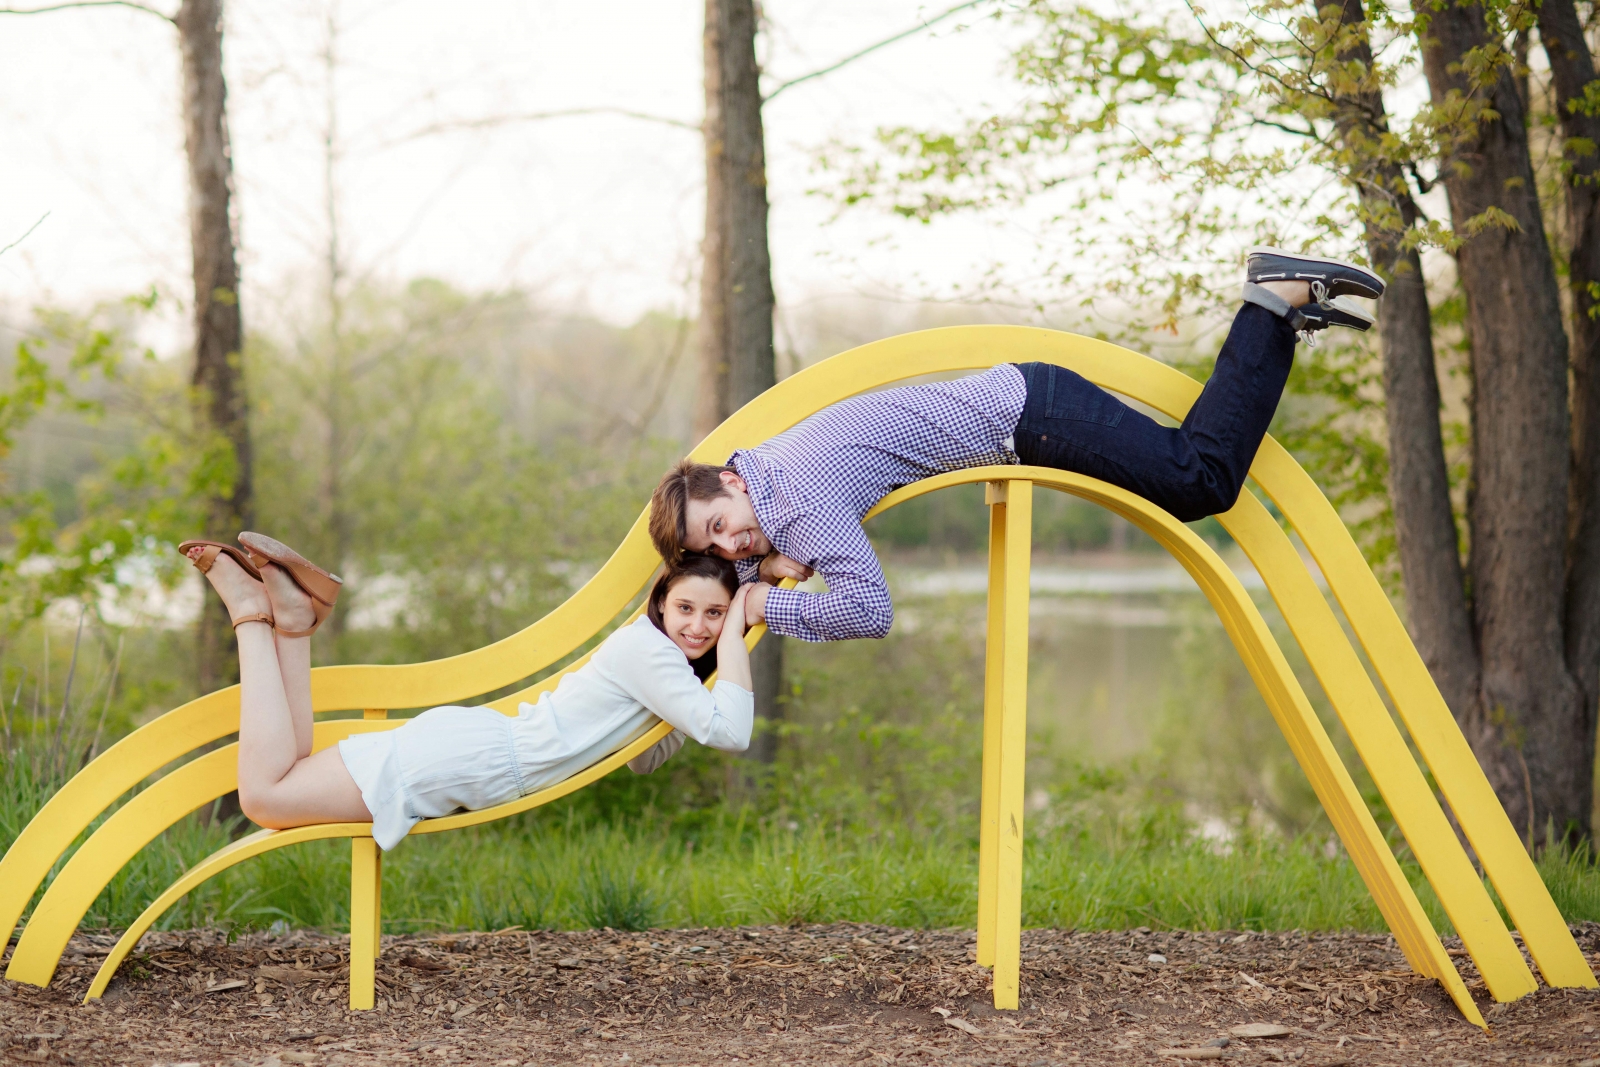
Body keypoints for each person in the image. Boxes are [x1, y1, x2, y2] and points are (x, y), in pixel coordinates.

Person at [648, 248, 1385, 642]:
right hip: (1029, 405)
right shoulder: (767, 466)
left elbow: (869, 611)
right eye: (716, 547)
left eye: (722, 524)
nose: (732, 545)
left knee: (1199, 482)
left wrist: (761, 603)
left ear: (729, 481)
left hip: (1032, 420)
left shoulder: (796, 505)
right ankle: (1278, 315)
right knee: (1194, 471)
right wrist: (766, 563)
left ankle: (1271, 303)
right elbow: (777, 539)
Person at [180, 534, 754, 850]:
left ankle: (291, 620)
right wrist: (736, 630)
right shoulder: (648, 651)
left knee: (288, 770)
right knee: (264, 797)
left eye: (714, 614)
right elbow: (731, 731)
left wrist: (693, 691)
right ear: (661, 603)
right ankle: (252, 612)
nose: (697, 626)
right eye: (686, 608)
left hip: (472, 749)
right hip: (474, 761)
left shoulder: (657, 663)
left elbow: (643, 758)